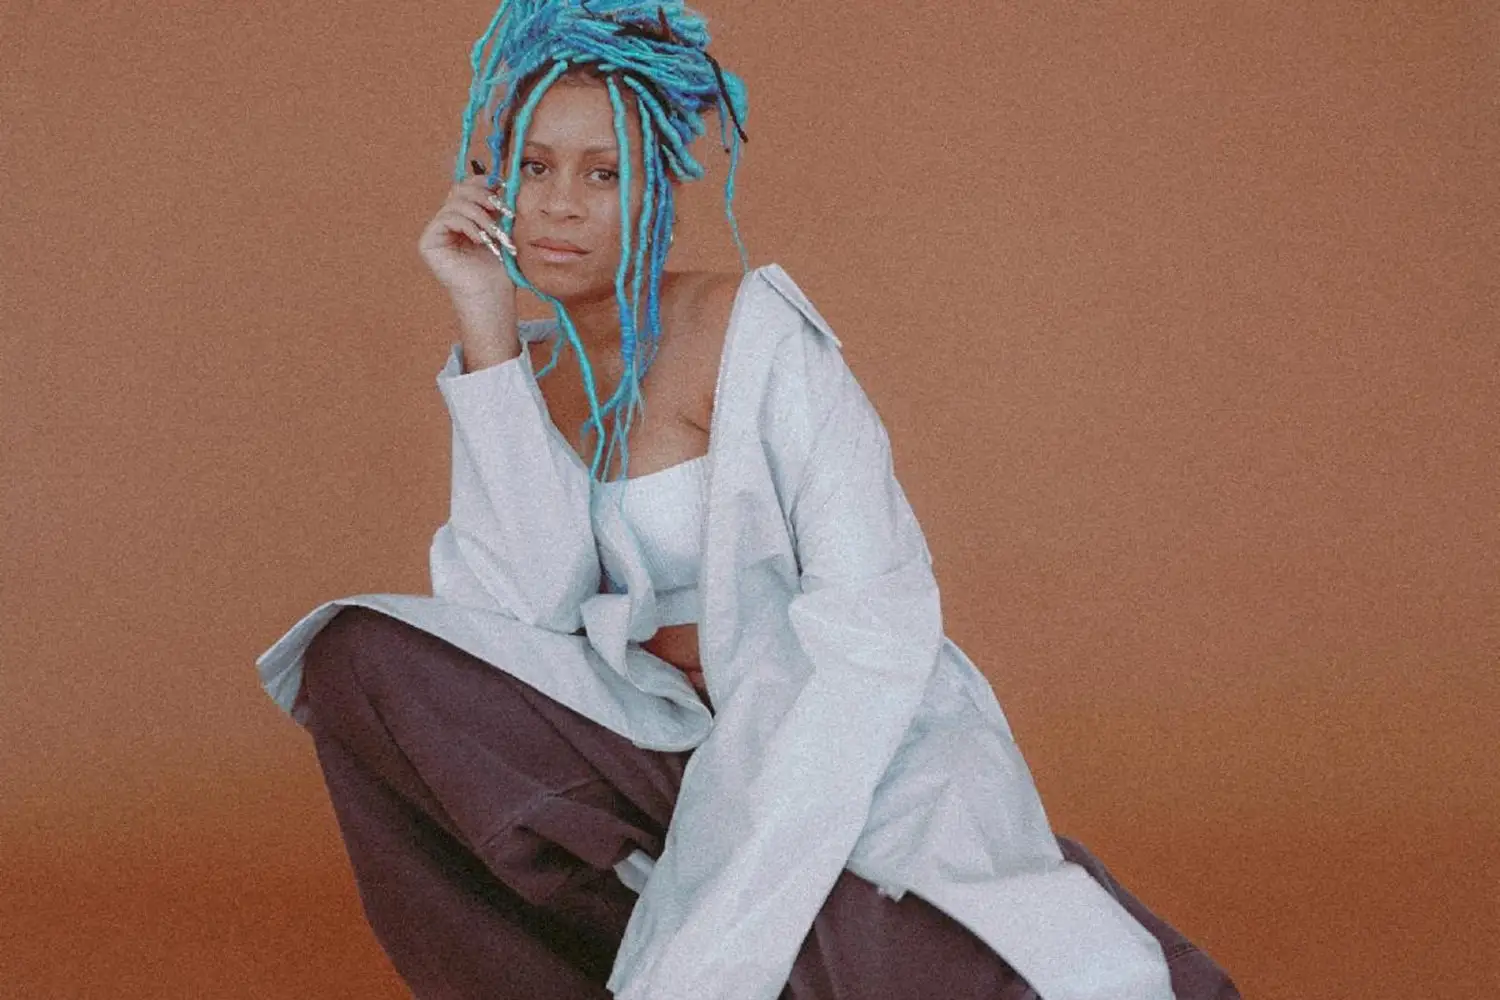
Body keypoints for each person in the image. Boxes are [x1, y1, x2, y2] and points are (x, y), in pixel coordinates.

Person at [256, 2, 1241, 998]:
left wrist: (757, 856)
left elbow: (874, 614)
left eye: (604, 174)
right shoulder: (522, 368)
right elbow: (519, 615)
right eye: (533, 167)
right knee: (356, 654)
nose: (559, 205)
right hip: (654, 742)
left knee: (869, 949)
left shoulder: (750, 330)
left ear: (660, 193)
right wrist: (484, 320)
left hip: (824, 736)